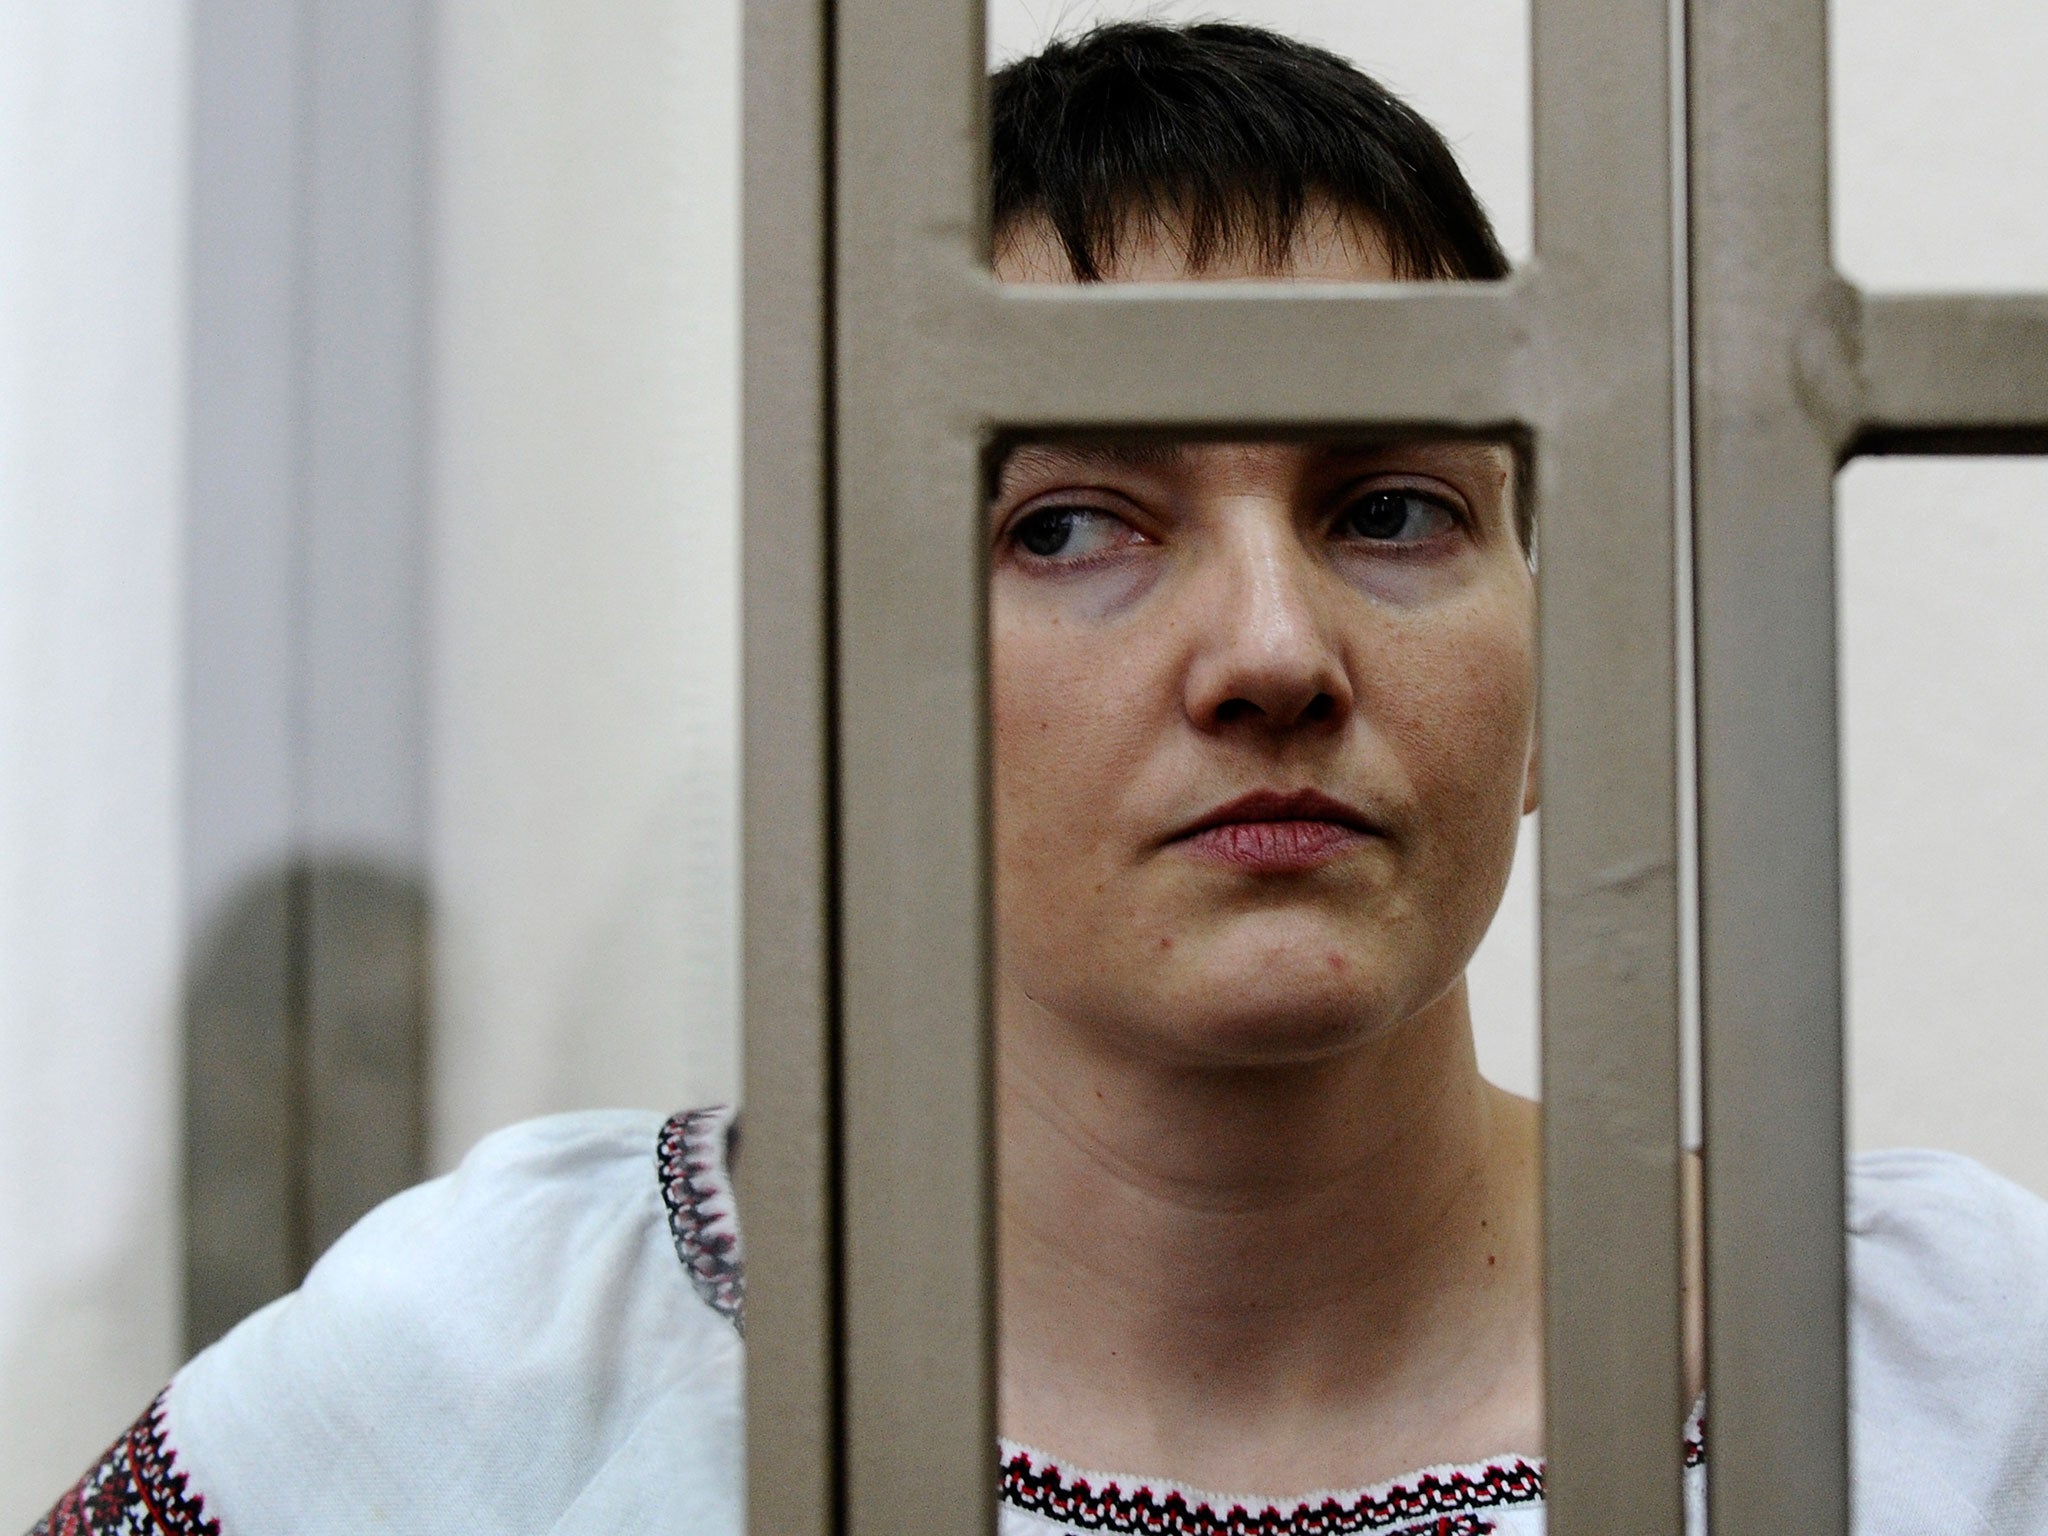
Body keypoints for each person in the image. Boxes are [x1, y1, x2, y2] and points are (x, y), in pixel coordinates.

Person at [32, 21, 2048, 1536]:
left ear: (1570, 652)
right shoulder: (513, 1361)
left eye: (1397, 507)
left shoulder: (1949, 1372)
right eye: (1071, 526)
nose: (1271, 652)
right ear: (860, 680)